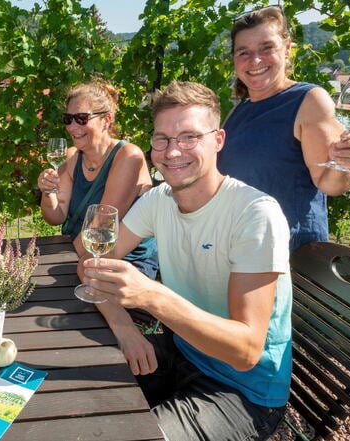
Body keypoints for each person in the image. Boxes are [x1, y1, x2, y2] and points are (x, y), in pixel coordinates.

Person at [82, 81, 292, 441]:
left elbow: (245, 352)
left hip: (244, 393)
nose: (172, 151)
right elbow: (91, 262)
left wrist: (151, 296)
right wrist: (125, 328)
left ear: (218, 140)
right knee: (76, 397)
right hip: (182, 353)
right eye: (162, 138)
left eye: (189, 137)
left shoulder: (255, 214)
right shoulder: (160, 199)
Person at [218, 5, 350, 251]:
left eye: (267, 48)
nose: (254, 60)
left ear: (287, 49)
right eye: (243, 52)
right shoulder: (240, 109)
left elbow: (332, 184)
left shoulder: (308, 100)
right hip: (240, 246)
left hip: (288, 254)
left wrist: (346, 161)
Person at [37, 79, 158, 284]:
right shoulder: (71, 156)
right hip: (77, 257)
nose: (73, 126)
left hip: (124, 263)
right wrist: (48, 192)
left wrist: (59, 263)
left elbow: (101, 227)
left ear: (107, 119)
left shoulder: (128, 156)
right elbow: (56, 217)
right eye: (68, 119)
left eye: (82, 118)